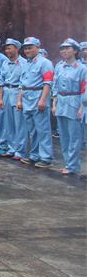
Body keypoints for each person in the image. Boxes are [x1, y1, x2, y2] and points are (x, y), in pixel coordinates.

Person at [17, 37, 54, 168]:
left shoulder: (45, 63)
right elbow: (23, 84)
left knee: (43, 130)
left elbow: (48, 83)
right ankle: (34, 155)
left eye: (30, 48)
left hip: (38, 97)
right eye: (25, 48)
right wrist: (19, 99)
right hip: (27, 97)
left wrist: (43, 100)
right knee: (32, 130)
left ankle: (46, 157)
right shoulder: (26, 63)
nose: (27, 50)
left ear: (37, 48)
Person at [51, 39, 86, 175]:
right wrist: (54, 103)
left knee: (74, 137)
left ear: (75, 51)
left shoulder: (82, 68)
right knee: (64, 136)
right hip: (61, 102)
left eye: (67, 48)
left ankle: (73, 166)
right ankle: (68, 163)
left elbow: (84, 89)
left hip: (74, 102)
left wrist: (82, 107)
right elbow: (55, 85)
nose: (64, 51)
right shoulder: (59, 67)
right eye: (62, 48)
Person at [0, 38, 27, 159]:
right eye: (6, 48)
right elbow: (1, 82)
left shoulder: (24, 63)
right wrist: (0, 98)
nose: (7, 51)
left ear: (17, 49)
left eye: (10, 48)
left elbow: (24, 83)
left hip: (17, 93)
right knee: (8, 123)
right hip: (7, 93)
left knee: (19, 124)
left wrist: (20, 99)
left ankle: (20, 150)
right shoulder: (5, 63)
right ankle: (11, 148)